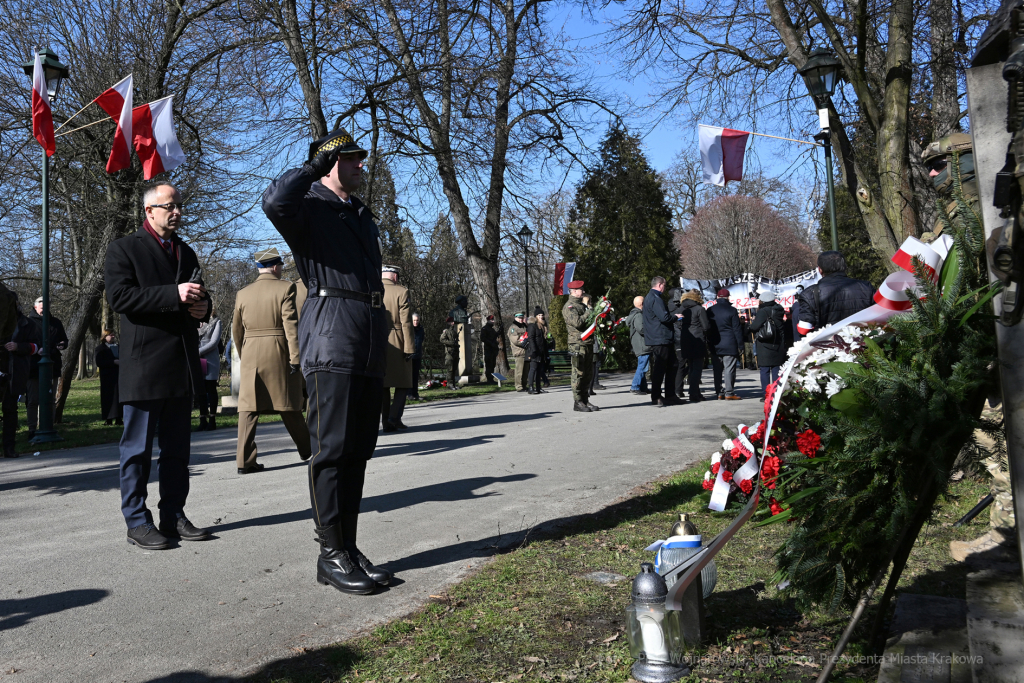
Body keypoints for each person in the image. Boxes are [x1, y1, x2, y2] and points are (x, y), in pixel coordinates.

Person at [263, 117, 391, 595]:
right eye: (352, 158)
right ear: (331, 162)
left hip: (367, 336)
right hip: (332, 337)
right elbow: (274, 202)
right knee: (332, 450)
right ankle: (330, 553)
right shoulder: (309, 206)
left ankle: (348, 548)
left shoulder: (357, 211)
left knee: (358, 450)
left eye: (360, 158)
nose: (361, 165)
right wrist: (311, 167)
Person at [104, 181, 212, 550]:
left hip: (181, 364)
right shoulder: (123, 249)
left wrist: (204, 307)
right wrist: (173, 294)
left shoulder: (186, 251)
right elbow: (120, 297)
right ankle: (137, 521)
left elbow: (198, 293)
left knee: (177, 451)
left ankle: (173, 515)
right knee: (137, 451)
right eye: (169, 206)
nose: (177, 211)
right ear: (149, 210)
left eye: (179, 205)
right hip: (144, 366)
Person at [232, 247, 312, 474]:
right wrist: (295, 358)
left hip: (250, 353)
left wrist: (245, 354)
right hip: (278, 352)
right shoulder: (286, 287)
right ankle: (308, 449)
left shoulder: (242, 293)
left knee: (248, 409)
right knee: (288, 404)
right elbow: (290, 326)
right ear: (275, 266)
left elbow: (237, 330)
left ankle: (244, 461)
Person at [796, 252, 875, 335]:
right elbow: (879, 316)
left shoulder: (809, 294)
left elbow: (804, 329)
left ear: (820, 269)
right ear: (844, 267)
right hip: (863, 340)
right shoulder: (866, 287)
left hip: (828, 341)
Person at [920, 133, 978, 244]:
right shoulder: (950, 205)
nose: (931, 173)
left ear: (963, 161)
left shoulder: (984, 203)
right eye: (930, 168)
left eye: (938, 165)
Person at [25, 296, 68, 440]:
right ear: (35, 306)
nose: (44, 307)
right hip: (33, 366)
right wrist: (35, 349)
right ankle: (32, 429)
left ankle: (49, 426)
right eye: (41, 305)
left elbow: (64, 340)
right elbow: (23, 343)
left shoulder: (56, 322)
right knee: (33, 399)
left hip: (52, 365)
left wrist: (62, 344)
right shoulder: (28, 322)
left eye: (47, 305)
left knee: (51, 399)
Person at [381, 266, 415, 431]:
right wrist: (409, 348)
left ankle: (386, 422)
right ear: (394, 276)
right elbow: (406, 322)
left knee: (383, 385)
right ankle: (394, 417)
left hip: (377, 340)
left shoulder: (371, 289)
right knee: (404, 382)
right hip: (398, 339)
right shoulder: (401, 291)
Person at [3, 294, 36, 458]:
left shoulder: (27, 324)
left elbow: (36, 347)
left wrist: (18, 347)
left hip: (15, 372)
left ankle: (9, 447)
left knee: (10, 410)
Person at [643, 276, 683, 407]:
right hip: (660, 337)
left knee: (673, 365)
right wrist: (675, 317)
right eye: (664, 285)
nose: (665, 288)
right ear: (660, 285)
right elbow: (664, 317)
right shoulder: (655, 298)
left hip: (660, 337)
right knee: (660, 368)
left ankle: (670, 394)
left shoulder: (651, 297)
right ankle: (657, 396)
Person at [562, 281, 598, 412]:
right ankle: (578, 401)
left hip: (587, 342)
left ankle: (585, 400)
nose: (583, 291)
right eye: (581, 289)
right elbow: (577, 323)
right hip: (577, 344)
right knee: (578, 373)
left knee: (588, 373)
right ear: (574, 291)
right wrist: (588, 310)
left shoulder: (582, 305)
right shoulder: (569, 307)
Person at [748, 290, 786, 399]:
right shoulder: (779, 309)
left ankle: (767, 394)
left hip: (765, 344)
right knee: (776, 369)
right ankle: (776, 394)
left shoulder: (763, 311)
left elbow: (755, 327)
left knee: (764, 370)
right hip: (778, 343)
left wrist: (750, 325)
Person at [707, 288, 744, 400]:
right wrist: (740, 345)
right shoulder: (732, 310)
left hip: (715, 343)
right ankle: (729, 392)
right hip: (729, 342)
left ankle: (719, 392)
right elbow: (737, 329)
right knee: (729, 369)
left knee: (717, 369)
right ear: (728, 297)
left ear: (717, 297)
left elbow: (707, 328)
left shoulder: (710, 310)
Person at [675, 290, 710, 402]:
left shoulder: (681, 309)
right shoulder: (699, 309)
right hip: (697, 340)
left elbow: (678, 324)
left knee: (691, 366)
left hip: (685, 339)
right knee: (697, 368)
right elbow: (706, 326)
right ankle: (694, 393)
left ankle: (696, 392)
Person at [195, 307, 222, 431]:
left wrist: (198, 351)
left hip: (210, 360)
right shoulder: (195, 320)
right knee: (200, 390)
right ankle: (202, 419)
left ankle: (212, 419)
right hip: (197, 360)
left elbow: (214, 342)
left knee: (211, 389)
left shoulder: (216, 322)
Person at [95, 330, 122, 426]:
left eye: (113, 335)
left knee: (118, 398)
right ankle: (108, 419)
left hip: (118, 375)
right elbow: (99, 362)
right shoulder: (100, 348)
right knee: (108, 398)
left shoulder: (118, 347)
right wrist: (113, 362)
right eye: (111, 335)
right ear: (105, 336)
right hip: (107, 377)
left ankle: (119, 418)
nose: (113, 336)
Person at [626, 295, 650, 395]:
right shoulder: (638, 315)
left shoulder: (633, 314)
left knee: (643, 365)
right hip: (642, 344)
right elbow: (641, 329)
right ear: (642, 304)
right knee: (643, 366)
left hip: (639, 344)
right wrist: (652, 331)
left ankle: (643, 387)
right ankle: (635, 386)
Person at [525, 308, 548, 394]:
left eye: (542, 315)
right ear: (536, 316)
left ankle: (538, 387)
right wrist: (534, 350)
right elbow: (531, 338)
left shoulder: (542, 326)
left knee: (539, 370)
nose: (541, 317)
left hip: (541, 351)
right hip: (534, 351)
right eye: (539, 315)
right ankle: (530, 387)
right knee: (533, 369)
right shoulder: (532, 326)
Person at [507, 312, 528, 391]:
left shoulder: (525, 326)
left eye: (522, 318)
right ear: (515, 318)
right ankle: (519, 386)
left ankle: (524, 385)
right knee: (519, 370)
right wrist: (525, 343)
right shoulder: (513, 328)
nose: (521, 319)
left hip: (526, 351)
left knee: (526, 370)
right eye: (519, 318)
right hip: (519, 351)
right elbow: (515, 340)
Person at [440, 316, 460, 390]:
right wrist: (451, 343)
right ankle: (450, 384)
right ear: (448, 323)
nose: (453, 323)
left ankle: (453, 384)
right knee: (450, 369)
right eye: (451, 322)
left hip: (455, 352)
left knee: (454, 369)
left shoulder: (454, 331)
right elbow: (442, 340)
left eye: (453, 322)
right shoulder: (446, 331)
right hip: (449, 353)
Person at [480, 315, 499, 384]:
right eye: (492, 320)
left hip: (493, 349)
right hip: (488, 349)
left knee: (493, 364)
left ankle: (491, 378)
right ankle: (489, 378)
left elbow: (494, 337)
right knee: (489, 364)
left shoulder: (492, 329)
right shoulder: (484, 329)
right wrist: (491, 343)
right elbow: (483, 338)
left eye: (493, 320)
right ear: (488, 321)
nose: (493, 321)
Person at [410, 313, 424, 400]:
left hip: (417, 355)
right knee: (410, 377)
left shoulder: (421, 329)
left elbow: (421, 339)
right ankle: (409, 394)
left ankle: (415, 394)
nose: (416, 322)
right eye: (414, 320)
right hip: (410, 356)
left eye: (417, 320)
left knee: (415, 376)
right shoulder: (409, 329)